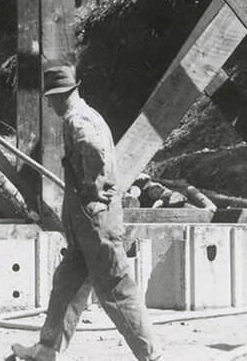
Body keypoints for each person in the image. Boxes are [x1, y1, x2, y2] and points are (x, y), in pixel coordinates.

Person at [10, 66, 163, 361]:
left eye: (51, 98)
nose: (50, 105)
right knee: (66, 284)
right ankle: (47, 349)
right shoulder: (89, 115)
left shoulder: (77, 118)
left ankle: (151, 355)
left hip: (95, 222)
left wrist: (92, 187)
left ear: (58, 96)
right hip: (86, 224)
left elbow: (92, 148)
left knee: (116, 289)